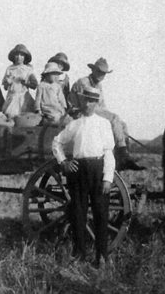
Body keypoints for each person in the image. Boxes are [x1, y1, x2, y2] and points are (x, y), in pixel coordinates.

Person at [52, 87, 115, 267]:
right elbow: (57, 142)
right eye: (85, 100)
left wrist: (107, 178)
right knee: (78, 213)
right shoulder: (75, 124)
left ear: (96, 103)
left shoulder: (103, 123)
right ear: (81, 102)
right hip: (78, 170)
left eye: (91, 101)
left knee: (101, 214)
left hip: (98, 169)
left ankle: (101, 256)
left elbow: (108, 152)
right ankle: (80, 255)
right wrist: (64, 162)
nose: (88, 104)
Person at [68, 58, 144, 171]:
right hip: (80, 112)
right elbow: (86, 105)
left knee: (122, 125)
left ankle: (124, 154)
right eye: (99, 71)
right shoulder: (83, 83)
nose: (101, 75)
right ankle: (122, 155)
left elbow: (102, 106)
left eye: (103, 73)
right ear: (93, 70)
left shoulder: (98, 86)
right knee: (114, 118)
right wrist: (109, 118)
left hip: (91, 111)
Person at [1, 44, 38, 118]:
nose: (18, 57)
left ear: (25, 57)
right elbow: (5, 87)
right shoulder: (10, 69)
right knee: (10, 115)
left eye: (21, 55)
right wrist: (8, 82)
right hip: (12, 96)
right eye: (16, 55)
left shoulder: (28, 70)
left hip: (24, 97)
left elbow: (35, 85)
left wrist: (26, 83)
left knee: (26, 118)